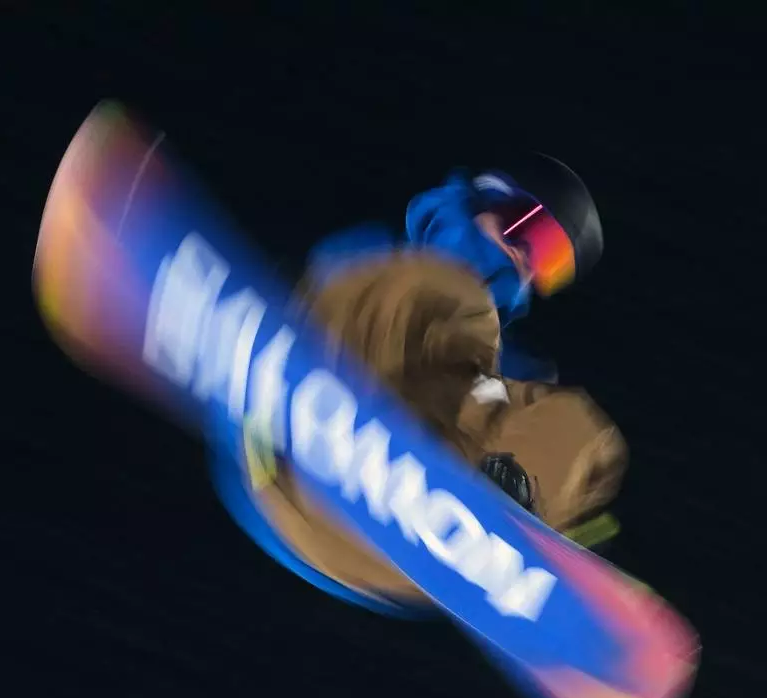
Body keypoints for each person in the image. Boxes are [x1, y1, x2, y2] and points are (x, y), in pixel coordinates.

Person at [212, 249, 626, 617]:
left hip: (375, 539)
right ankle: (287, 377)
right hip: (302, 464)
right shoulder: (439, 277)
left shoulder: (501, 348)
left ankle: (511, 519)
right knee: (456, 296)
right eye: (525, 224)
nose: (526, 259)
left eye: (549, 262)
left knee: (577, 426)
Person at [308, 153, 604, 382]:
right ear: (490, 199)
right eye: (530, 231)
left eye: (550, 262)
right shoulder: (367, 254)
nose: (525, 258)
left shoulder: (511, 373)